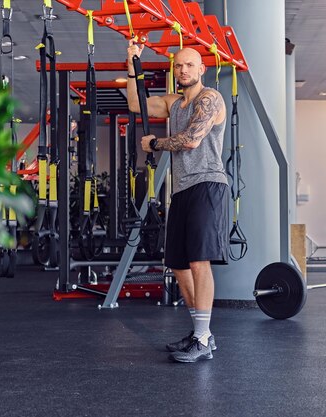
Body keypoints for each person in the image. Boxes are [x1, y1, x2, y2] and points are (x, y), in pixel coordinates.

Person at [126, 41, 229, 363]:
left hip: (208, 184)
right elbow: (135, 103)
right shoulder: (174, 104)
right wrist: (131, 64)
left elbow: (192, 139)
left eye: (189, 65)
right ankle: (201, 333)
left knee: (199, 261)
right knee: (178, 264)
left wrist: (155, 143)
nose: (183, 70)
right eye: (178, 66)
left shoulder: (210, 98)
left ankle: (202, 336)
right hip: (183, 189)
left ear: (202, 69)